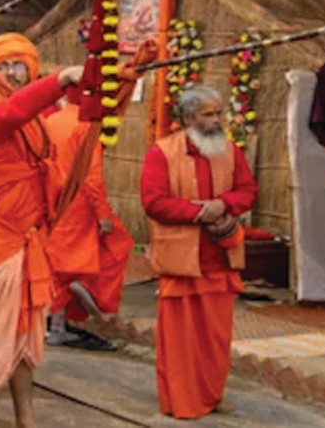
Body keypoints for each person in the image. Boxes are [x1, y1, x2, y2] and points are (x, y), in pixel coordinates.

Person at [0, 34, 83, 428]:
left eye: (19, 66)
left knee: (26, 337)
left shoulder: (37, 124)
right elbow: (10, 113)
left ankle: (25, 418)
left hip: (30, 241)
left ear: (31, 72)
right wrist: (60, 80)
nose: (11, 73)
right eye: (2, 66)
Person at [141, 85, 257, 420]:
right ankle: (182, 401)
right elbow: (153, 202)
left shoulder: (230, 151)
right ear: (189, 118)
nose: (217, 120)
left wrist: (224, 204)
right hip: (180, 261)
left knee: (216, 338)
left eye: (219, 113)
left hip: (220, 260)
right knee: (180, 340)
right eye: (209, 114)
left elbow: (248, 190)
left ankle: (212, 394)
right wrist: (199, 212)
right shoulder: (162, 153)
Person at [42, 83, 134, 352]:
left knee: (58, 266)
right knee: (117, 245)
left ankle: (57, 326)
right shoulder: (86, 125)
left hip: (54, 200)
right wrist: (102, 213)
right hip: (80, 204)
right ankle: (87, 290)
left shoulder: (52, 121)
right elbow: (92, 176)